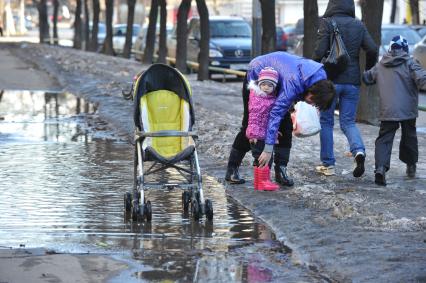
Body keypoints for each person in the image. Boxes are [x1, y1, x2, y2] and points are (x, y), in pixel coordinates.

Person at [225, 51, 336, 185]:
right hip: (259, 76)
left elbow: (294, 95)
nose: (311, 104)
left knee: (286, 126)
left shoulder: (321, 79)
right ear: (312, 91)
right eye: (312, 100)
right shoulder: (293, 83)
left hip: (279, 80)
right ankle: (232, 169)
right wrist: (268, 149)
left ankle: (280, 171)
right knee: (252, 126)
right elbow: (275, 114)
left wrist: (292, 102)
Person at [313, 0, 378, 177]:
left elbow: (319, 53)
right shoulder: (359, 25)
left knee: (326, 121)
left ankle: (328, 164)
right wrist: (366, 68)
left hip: (330, 82)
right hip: (352, 82)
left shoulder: (326, 23)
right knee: (348, 122)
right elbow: (372, 49)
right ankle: (358, 151)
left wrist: (313, 72)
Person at [362, 35, 426, 186]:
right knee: (409, 136)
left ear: (391, 48)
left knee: (384, 139)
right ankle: (411, 166)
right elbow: (422, 79)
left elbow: (367, 78)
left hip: (388, 109)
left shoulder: (380, 65)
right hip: (408, 110)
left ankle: (380, 168)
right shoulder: (411, 63)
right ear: (405, 49)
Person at [246, 67, 280, 191]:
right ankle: (263, 181)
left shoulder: (269, 98)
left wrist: (275, 131)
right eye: (263, 84)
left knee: (262, 158)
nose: (266, 87)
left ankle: (259, 183)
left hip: (264, 133)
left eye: (270, 85)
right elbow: (253, 117)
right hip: (257, 134)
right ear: (259, 84)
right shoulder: (257, 99)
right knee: (263, 158)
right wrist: (253, 134)